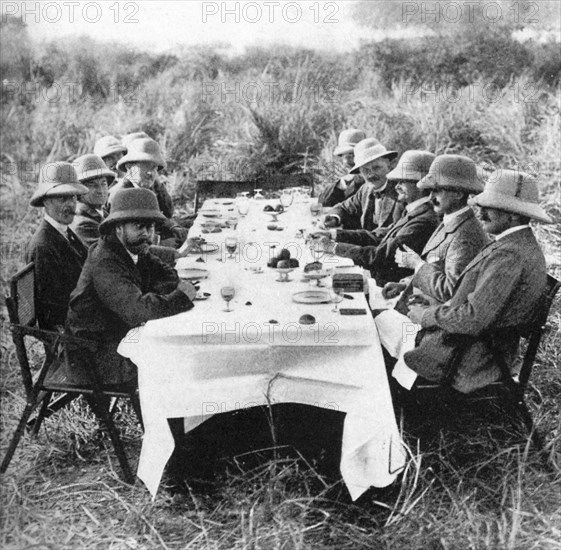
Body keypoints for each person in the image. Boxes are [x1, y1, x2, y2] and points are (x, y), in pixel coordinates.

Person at [398, 169, 552, 393]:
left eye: (490, 207)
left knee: (384, 344)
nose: (480, 212)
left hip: (471, 358)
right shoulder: (512, 244)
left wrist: (427, 316)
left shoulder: (510, 254)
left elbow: (472, 319)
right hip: (471, 346)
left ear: (514, 215)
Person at [66, 188, 197, 387]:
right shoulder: (105, 261)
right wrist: (180, 298)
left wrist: (164, 293)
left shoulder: (134, 247)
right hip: (94, 355)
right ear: (118, 227)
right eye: (138, 226)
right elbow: (138, 310)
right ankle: (166, 416)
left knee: (181, 349)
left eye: (150, 227)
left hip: (118, 335)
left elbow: (167, 275)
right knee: (176, 359)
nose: (146, 234)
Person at [310, 151, 439, 286]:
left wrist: (333, 247)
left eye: (403, 181)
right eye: (365, 170)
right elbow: (378, 237)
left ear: (422, 185)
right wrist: (333, 235)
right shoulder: (414, 211)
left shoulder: (423, 218)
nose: (396, 186)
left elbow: (381, 256)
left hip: (390, 286)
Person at [383, 154, 488, 310]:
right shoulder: (448, 221)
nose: (431, 197)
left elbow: (452, 291)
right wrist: (404, 284)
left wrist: (417, 265)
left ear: (458, 194)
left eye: (437, 191)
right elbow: (438, 268)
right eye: (430, 191)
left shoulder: (465, 235)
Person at [26, 162, 89, 330]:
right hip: (71, 333)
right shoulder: (43, 246)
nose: (71, 204)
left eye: (73, 197)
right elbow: (53, 309)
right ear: (46, 202)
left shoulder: (66, 232)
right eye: (63, 198)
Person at [108, 137, 187, 248]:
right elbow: (122, 237)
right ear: (129, 167)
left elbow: (167, 213)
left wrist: (173, 227)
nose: (150, 173)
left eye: (154, 168)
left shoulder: (144, 187)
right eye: (144, 166)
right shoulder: (120, 195)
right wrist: (159, 242)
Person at [323, 138, 402, 233]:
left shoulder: (401, 191)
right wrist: (334, 218)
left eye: (376, 168)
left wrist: (336, 234)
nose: (371, 175)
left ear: (389, 165)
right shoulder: (365, 189)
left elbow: (385, 236)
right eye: (365, 170)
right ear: (359, 172)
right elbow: (344, 207)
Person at [71, 154, 114, 247]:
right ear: (79, 190)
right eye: (92, 185)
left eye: (104, 183)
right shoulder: (82, 223)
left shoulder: (102, 213)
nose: (101, 190)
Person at [317, 129, 367, 207]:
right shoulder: (341, 181)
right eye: (345, 154)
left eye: (352, 153)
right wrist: (341, 185)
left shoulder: (368, 179)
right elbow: (323, 203)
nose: (348, 157)